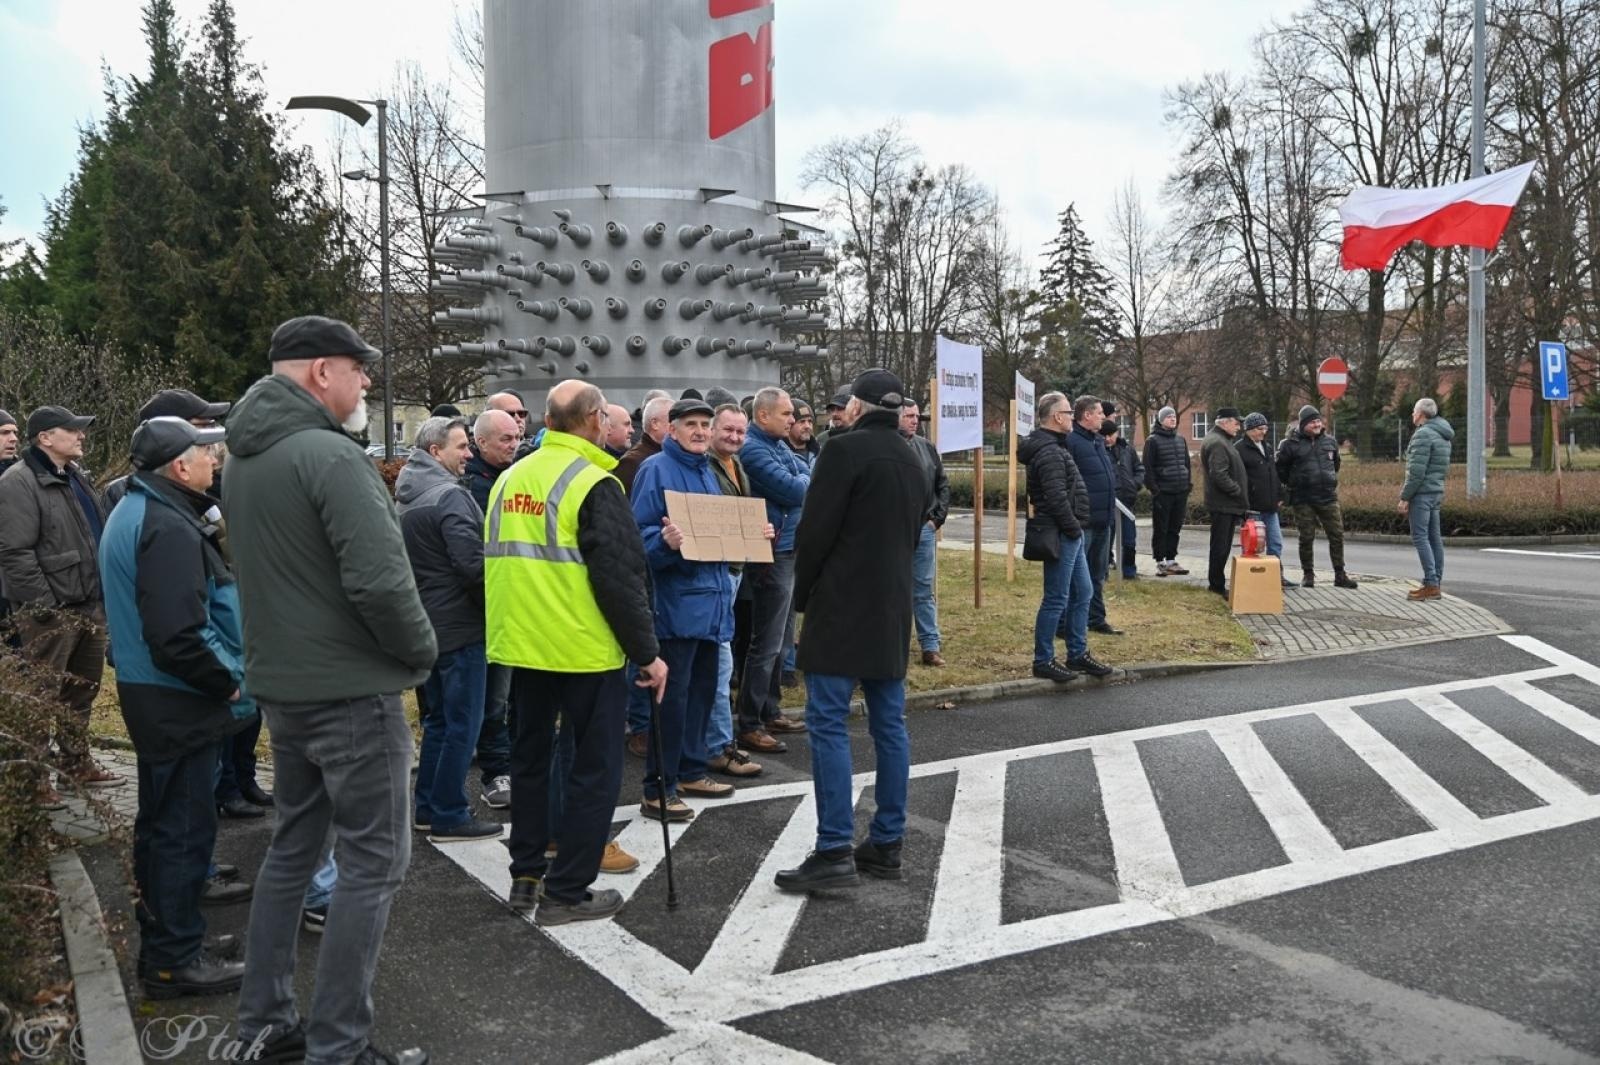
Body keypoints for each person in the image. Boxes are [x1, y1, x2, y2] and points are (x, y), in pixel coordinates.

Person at [226, 315, 436, 1065]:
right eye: (359, 369)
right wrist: (421, 651)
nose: (367, 383)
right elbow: (381, 581)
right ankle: (339, 1046)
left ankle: (264, 1023)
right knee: (373, 863)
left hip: (285, 687)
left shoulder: (242, 456)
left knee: (293, 848)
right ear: (322, 372)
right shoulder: (329, 456)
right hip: (350, 691)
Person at [487, 380, 667, 925]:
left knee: (531, 762)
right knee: (593, 769)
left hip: (523, 645)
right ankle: (568, 891)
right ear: (592, 421)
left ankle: (526, 876)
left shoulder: (510, 477)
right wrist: (648, 653)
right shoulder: (594, 482)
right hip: (583, 649)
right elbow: (621, 579)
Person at [98, 417, 253, 999]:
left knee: (164, 827)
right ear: (179, 466)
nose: (215, 458)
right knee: (182, 832)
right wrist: (227, 682)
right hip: (177, 699)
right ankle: (171, 962)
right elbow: (178, 635)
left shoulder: (146, 507)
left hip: (158, 695)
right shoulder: (165, 524)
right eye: (205, 452)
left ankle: (175, 940)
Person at [775, 369, 927, 892]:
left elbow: (815, 533)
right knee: (890, 726)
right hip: (890, 608)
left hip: (840, 607)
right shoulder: (914, 456)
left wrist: (801, 600)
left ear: (858, 407)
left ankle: (835, 848)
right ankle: (887, 841)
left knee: (828, 724)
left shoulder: (842, 451)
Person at [631, 399, 768, 818]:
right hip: (676, 608)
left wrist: (756, 534)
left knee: (703, 695)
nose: (700, 431)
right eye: (690, 424)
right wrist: (664, 544)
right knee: (672, 700)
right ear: (671, 430)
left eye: (705, 425)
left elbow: (721, 534)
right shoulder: (656, 471)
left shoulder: (707, 471)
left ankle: (690, 769)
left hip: (713, 606)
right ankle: (659, 785)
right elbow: (638, 540)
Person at [0, 405, 121, 801]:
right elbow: (14, 553)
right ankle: (33, 782)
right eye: (72, 430)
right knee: (40, 697)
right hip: (52, 613)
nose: (81, 436)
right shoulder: (19, 482)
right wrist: (45, 608)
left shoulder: (74, 477)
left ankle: (75, 763)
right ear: (45, 438)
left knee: (81, 692)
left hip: (88, 606)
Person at [396, 417, 501, 843]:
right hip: (459, 626)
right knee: (463, 723)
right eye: (461, 446)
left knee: (439, 721)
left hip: (425, 622)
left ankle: (428, 807)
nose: (469, 453)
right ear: (435, 451)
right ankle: (450, 814)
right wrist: (494, 610)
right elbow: (472, 566)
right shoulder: (450, 497)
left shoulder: (407, 493)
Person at [736, 387, 811, 754]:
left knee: (782, 639)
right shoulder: (752, 449)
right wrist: (804, 482)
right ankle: (750, 721)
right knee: (765, 643)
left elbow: (804, 473)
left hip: (788, 548)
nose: (793, 420)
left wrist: (804, 480)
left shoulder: (777, 445)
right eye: (786, 415)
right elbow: (797, 490)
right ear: (762, 415)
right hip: (771, 554)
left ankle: (770, 708)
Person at [1019, 394, 1111, 682]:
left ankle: (1077, 653)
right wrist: (1073, 529)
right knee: (1056, 597)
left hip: (1069, 533)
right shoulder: (1048, 452)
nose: (1074, 416)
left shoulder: (1055, 447)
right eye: (1069, 412)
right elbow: (1055, 497)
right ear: (1057, 417)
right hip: (1061, 533)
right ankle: (1043, 659)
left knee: (1083, 591)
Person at [462, 409, 522, 809]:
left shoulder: (519, 477)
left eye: (517, 437)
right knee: (494, 699)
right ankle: (496, 771)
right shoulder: (469, 490)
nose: (514, 445)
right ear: (480, 442)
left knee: (515, 694)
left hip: (520, 604)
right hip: (489, 608)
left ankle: (517, 763)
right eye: (505, 439)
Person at [706, 404, 762, 779]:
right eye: (728, 430)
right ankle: (718, 745)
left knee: (721, 659)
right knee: (720, 661)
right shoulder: (706, 467)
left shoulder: (735, 465)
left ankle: (717, 742)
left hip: (736, 567)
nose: (735, 438)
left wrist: (759, 531)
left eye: (741, 432)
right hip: (717, 570)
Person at [1277, 405, 1358, 589]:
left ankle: (1340, 574)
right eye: (1313, 421)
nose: (1317, 424)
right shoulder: (1289, 445)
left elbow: (1336, 465)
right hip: (1303, 498)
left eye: (1318, 421)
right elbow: (1280, 470)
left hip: (1328, 497)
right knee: (1306, 537)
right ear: (1303, 423)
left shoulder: (1329, 442)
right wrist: (1292, 484)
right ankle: (1308, 574)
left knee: (1337, 535)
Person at [1063, 395, 1121, 635]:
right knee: (1076, 578)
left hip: (1103, 521)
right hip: (1083, 522)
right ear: (1087, 415)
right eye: (1099, 413)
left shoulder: (1097, 442)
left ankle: (1096, 618)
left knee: (1097, 575)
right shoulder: (1071, 442)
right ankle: (1065, 624)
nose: (1103, 417)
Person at [899, 399, 949, 666]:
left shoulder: (927, 448)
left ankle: (930, 645)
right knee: (896, 589)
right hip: (894, 530)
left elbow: (943, 484)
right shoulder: (889, 447)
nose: (914, 420)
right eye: (909, 415)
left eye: (917, 416)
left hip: (924, 528)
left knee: (923, 588)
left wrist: (936, 519)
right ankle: (896, 645)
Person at [1400, 397, 1453, 601]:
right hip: (1436, 491)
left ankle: (1431, 584)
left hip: (1422, 494)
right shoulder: (1443, 433)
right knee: (1434, 538)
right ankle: (1435, 581)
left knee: (1420, 537)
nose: (1412, 414)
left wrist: (1405, 497)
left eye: (1414, 411)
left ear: (1421, 414)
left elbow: (1416, 472)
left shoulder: (1423, 435)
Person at [1236, 412, 1294, 588]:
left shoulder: (1267, 447)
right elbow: (1240, 479)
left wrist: (1280, 495)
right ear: (1249, 430)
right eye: (1260, 428)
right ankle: (1250, 578)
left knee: (1275, 543)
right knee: (1253, 544)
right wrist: (1244, 503)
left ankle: (1276, 576)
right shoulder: (1239, 449)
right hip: (1253, 508)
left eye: (1265, 428)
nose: (1264, 432)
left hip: (1271, 507)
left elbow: (1273, 473)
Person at [1200, 407, 1249, 596]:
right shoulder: (1218, 443)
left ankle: (1217, 583)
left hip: (1226, 503)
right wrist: (1236, 490)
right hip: (1223, 504)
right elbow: (1219, 474)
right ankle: (1216, 585)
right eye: (1236, 423)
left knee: (1223, 545)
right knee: (1220, 546)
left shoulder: (1222, 440)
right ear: (1225, 422)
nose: (1239, 427)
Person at [1142, 406, 1192, 577]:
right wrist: (1155, 490)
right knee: (1161, 528)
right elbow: (1147, 468)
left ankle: (1171, 559)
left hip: (1180, 491)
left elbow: (1187, 464)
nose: (1172, 419)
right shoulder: (1152, 441)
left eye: (1174, 416)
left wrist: (1188, 484)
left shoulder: (1180, 439)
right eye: (1168, 417)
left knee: (1175, 528)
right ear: (1161, 420)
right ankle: (1160, 561)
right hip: (1163, 492)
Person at [1101, 419, 1144, 579]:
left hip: (1127, 501)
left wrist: (1136, 483)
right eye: (1103, 435)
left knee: (1129, 540)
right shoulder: (1098, 450)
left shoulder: (1127, 449)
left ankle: (1129, 570)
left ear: (1116, 433)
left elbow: (1139, 468)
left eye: (1110, 435)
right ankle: (1102, 571)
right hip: (1108, 502)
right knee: (1106, 540)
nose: (1107, 438)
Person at [614, 395, 672, 494]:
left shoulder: (673, 456)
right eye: (672, 420)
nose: (678, 427)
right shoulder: (631, 463)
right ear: (655, 424)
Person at [0, 410, 21, 634]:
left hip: (16, 588)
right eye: (5, 433)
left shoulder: (23, 477)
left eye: (15, 432)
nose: (13, 438)